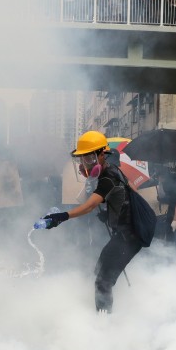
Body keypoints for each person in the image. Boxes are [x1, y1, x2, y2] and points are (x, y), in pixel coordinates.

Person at [38, 130, 143, 314]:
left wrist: (61, 217)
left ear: (102, 155)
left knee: (103, 282)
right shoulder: (112, 172)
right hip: (123, 233)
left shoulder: (109, 176)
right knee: (100, 270)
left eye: (88, 158)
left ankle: (104, 324)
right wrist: (113, 211)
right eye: (83, 158)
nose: (84, 163)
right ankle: (106, 315)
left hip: (129, 236)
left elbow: (88, 207)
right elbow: (131, 191)